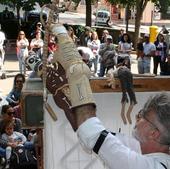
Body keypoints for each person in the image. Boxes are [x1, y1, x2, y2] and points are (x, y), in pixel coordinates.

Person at [49, 24, 170, 169]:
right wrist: (67, 102)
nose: (138, 117)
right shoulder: (145, 150)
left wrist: (77, 72)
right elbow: (92, 137)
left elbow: (93, 135)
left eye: (144, 116)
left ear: (154, 134)